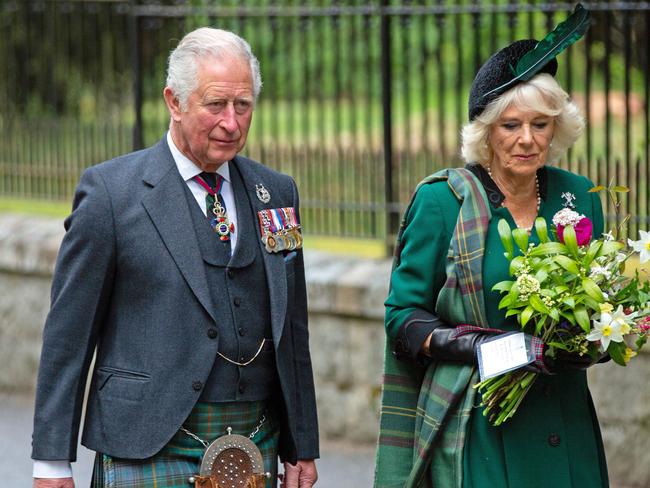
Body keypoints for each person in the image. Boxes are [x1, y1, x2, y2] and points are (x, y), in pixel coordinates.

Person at [31, 27, 318, 488]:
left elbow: (292, 329)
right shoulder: (111, 194)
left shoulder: (275, 193)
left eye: (242, 106)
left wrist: (301, 444)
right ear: (174, 101)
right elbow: (69, 335)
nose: (232, 122)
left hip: (256, 439)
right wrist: (50, 464)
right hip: (146, 441)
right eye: (216, 105)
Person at [375, 5, 609, 488]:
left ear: (556, 128)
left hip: (564, 425)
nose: (527, 139)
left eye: (540, 124)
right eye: (510, 125)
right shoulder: (442, 202)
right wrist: (489, 346)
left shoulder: (579, 196)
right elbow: (402, 319)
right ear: (486, 132)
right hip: (480, 430)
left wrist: (594, 341)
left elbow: (603, 303)